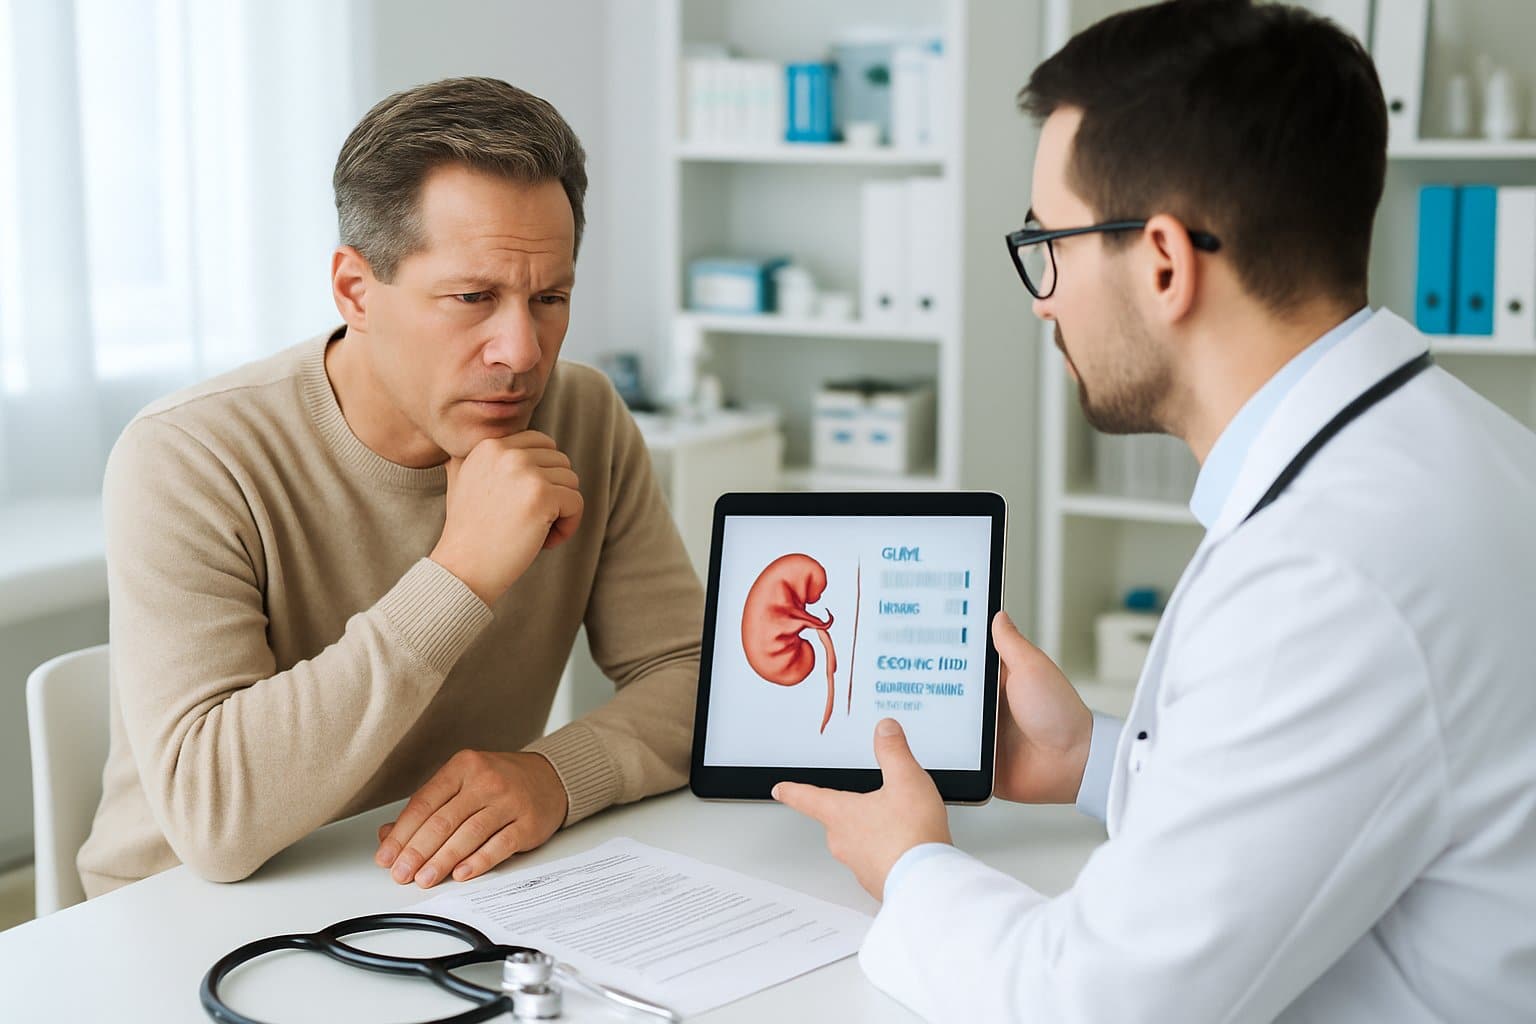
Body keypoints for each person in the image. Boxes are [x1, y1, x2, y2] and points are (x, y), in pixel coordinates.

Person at [773, 2, 1536, 1020]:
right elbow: (1322, 801)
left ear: (1165, 263)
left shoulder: (1326, 570)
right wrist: (1090, 758)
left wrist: (909, 866)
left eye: (1048, 244)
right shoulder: (1458, 450)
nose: (1041, 298)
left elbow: (1099, 1001)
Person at [77, 77, 704, 898]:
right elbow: (213, 821)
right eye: (472, 298)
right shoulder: (189, 456)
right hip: (182, 915)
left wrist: (558, 775)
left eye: (549, 298)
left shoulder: (582, 414)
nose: (520, 350)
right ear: (355, 291)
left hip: (440, 891)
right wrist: (461, 573)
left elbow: (701, 678)